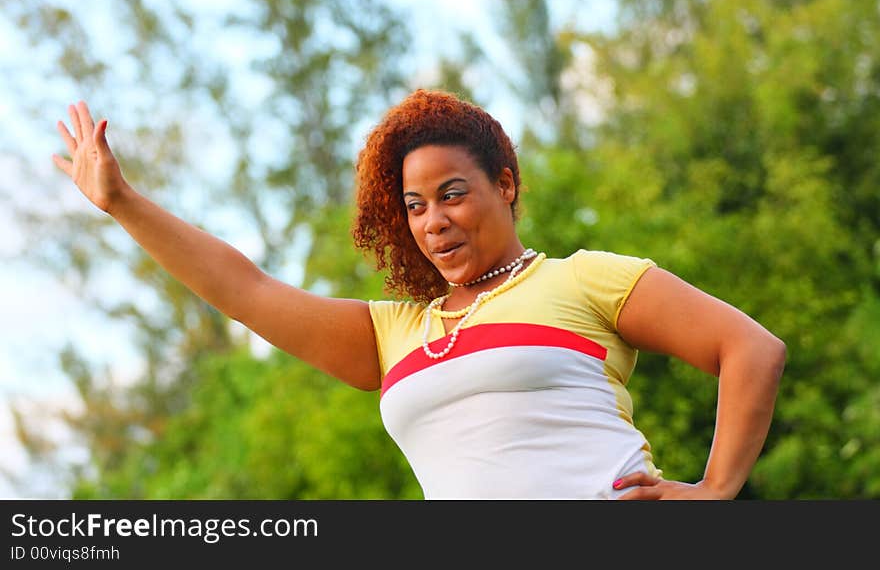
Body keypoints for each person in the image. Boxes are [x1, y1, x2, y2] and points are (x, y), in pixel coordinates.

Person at [52, 89, 786, 500]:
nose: (434, 220)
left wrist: (714, 490)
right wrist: (124, 203)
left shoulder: (578, 279)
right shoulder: (394, 333)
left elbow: (750, 347)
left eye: (453, 194)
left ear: (506, 184)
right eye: (414, 205)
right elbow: (244, 290)